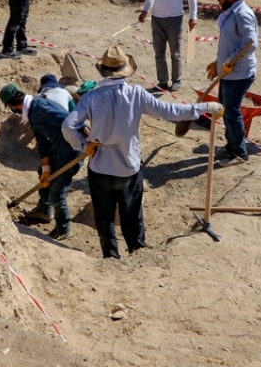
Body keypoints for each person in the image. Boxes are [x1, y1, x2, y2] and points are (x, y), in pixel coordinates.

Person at [62, 46, 222, 259]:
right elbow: (172, 112)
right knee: (132, 214)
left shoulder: (91, 97)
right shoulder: (136, 94)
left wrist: (82, 145)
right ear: (124, 70)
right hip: (128, 168)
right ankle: (137, 253)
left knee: (104, 217)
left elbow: (67, 126)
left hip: (99, 166)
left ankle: (110, 257)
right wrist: (208, 106)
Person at [0, 83, 78, 240]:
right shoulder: (32, 111)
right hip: (58, 150)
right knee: (43, 174)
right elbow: (42, 143)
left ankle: (64, 228)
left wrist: (88, 138)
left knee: (57, 193)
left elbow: (71, 120)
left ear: (11, 105)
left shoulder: (40, 109)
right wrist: (47, 169)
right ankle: (43, 211)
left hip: (71, 152)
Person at [208, 0, 259, 166]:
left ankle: (239, 153)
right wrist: (218, 61)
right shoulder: (232, 12)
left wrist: (228, 62)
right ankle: (231, 145)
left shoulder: (242, 14)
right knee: (225, 108)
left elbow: (250, 43)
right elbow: (233, 43)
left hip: (239, 73)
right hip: (229, 71)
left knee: (231, 112)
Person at [137, 0, 198, 92]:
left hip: (175, 18)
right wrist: (145, 10)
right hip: (157, 17)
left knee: (175, 52)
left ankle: (176, 80)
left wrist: (193, 16)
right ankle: (162, 81)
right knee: (159, 52)